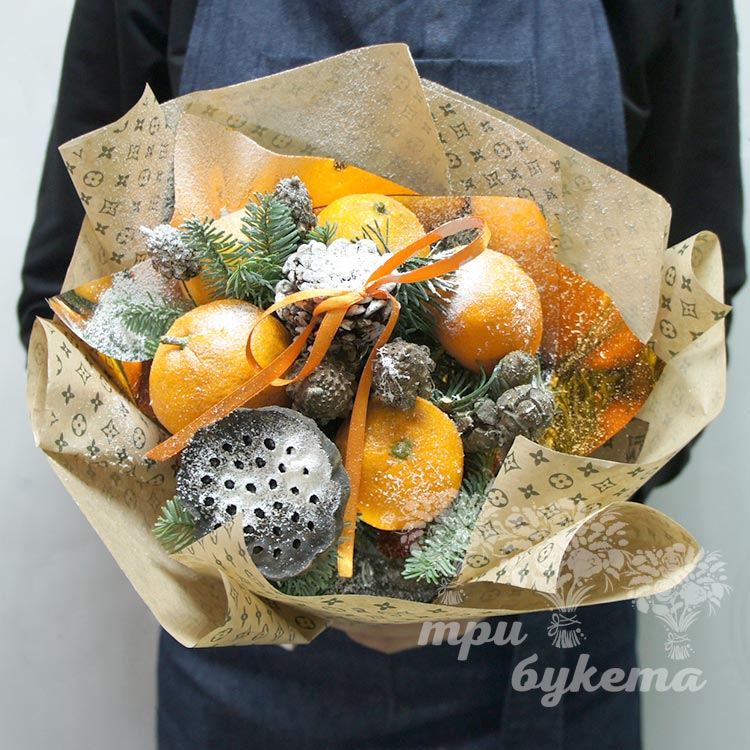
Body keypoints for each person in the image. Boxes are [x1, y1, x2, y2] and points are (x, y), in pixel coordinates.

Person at [17, 1, 746, 748]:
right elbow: (66, 303)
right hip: (243, 660)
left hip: (541, 671)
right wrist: (283, 565)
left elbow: (689, 305)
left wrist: (503, 548)